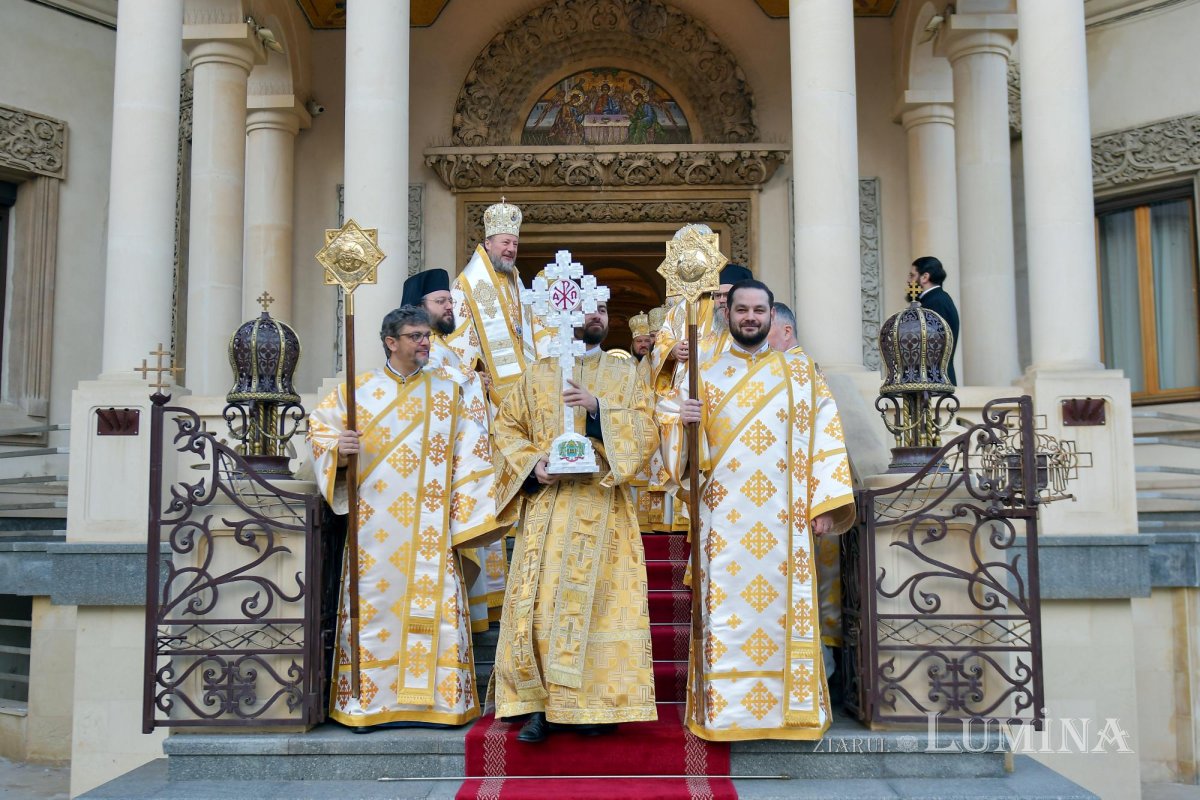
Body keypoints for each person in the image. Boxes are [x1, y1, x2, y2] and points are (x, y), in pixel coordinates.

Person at [661, 279, 855, 741]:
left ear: (772, 317)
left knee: (781, 617)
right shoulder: (701, 373)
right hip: (722, 521)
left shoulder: (802, 373)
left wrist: (824, 502)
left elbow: (825, 435)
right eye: (742, 309)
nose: (750, 317)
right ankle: (725, 714)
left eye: (759, 310)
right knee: (728, 619)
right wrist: (680, 424)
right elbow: (674, 452)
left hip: (784, 521)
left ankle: (789, 714)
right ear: (727, 314)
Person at [467, 298, 659, 742]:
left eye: (601, 310)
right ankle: (539, 707)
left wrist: (597, 410)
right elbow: (505, 430)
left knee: (601, 609)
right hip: (548, 510)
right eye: (585, 309)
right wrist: (533, 465)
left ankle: (596, 708)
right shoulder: (537, 374)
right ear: (559, 316)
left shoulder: (625, 372)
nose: (595, 317)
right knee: (541, 610)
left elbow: (647, 429)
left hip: (602, 505)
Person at [307, 306, 507, 730]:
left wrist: (466, 518)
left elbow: (472, 454)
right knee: (375, 611)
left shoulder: (450, 390)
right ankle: (370, 701)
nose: (424, 342)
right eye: (415, 336)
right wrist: (337, 450)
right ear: (390, 342)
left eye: (426, 336)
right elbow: (319, 432)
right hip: (372, 530)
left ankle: (438, 702)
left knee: (434, 609)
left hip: (432, 530)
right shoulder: (355, 391)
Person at [402, 269, 508, 633]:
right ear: (418, 309)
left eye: (450, 300)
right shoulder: (417, 354)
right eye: (441, 301)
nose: (450, 307)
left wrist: (478, 381)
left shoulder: (444, 348)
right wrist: (473, 381)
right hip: (434, 473)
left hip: (464, 467)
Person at [445, 198, 547, 404]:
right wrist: (475, 373)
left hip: (525, 384)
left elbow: (529, 327)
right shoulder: (465, 284)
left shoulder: (516, 282)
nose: (511, 248)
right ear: (488, 244)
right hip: (491, 389)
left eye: (515, 244)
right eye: (505, 242)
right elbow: (460, 336)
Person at [909, 256, 960, 385]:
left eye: (912, 276)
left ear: (925, 277)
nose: (908, 281)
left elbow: (933, 346)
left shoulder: (935, 302)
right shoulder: (935, 299)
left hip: (934, 384)